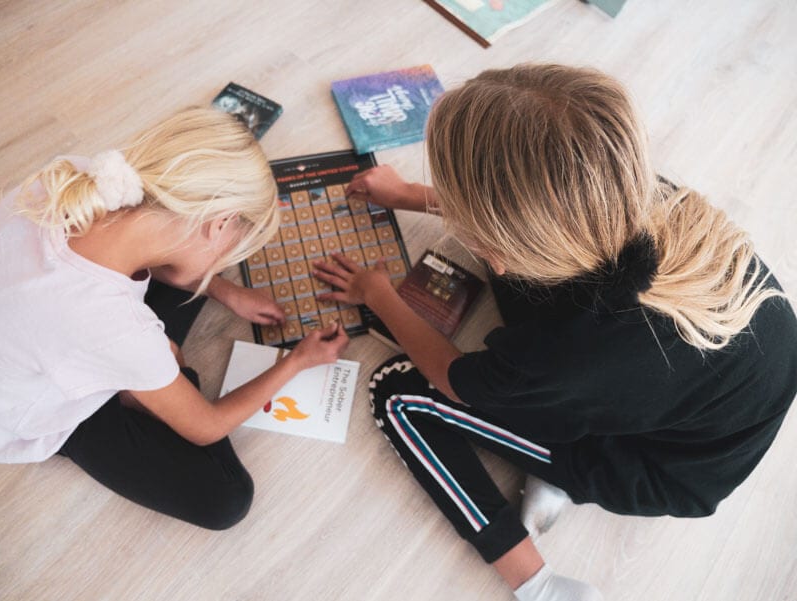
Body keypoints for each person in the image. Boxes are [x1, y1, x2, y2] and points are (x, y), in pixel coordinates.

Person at [313, 64, 797, 600]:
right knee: (531, 288)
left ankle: (539, 583)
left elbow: (454, 380)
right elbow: (538, 211)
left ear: (500, 244)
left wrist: (379, 294)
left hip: (650, 467)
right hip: (700, 403)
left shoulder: (566, 354)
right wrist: (408, 194)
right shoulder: (631, 191)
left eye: (465, 216)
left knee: (399, 393)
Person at [0, 107, 348, 529]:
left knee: (184, 270)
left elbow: (140, 262)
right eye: (227, 244)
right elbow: (207, 427)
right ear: (218, 224)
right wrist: (297, 361)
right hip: (36, 406)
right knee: (226, 499)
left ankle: (150, 379)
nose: (222, 262)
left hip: (39, 334)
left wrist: (225, 290)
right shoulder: (118, 327)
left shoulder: (80, 176)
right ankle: (144, 390)